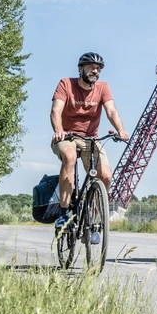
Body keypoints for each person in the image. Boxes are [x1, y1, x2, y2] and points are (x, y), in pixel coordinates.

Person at [50, 51, 130, 244]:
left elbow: (111, 110)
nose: (95, 71)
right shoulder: (66, 84)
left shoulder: (102, 88)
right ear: (80, 69)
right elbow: (56, 110)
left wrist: (121, 130)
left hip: (91, 139)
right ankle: (64, 213)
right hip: (67, 135)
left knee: (106, 176)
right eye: (91, 67)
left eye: (98, 68)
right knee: (69, 156)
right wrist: (59, 130)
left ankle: (92, 219)